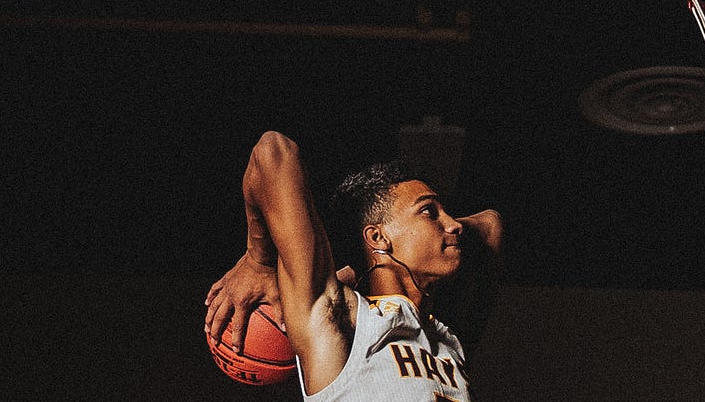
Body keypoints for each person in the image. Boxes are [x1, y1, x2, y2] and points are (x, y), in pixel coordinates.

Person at [204, 131, 503, 401]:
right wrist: (259, 260)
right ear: (378, 236)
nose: (453, 224)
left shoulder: (445, 339)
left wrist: (365, 261)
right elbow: (273, 151)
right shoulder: (342, 317)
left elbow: (490, 225)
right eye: (429, 212)